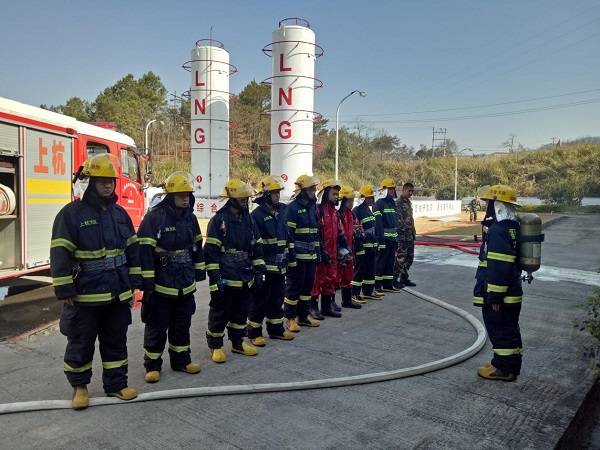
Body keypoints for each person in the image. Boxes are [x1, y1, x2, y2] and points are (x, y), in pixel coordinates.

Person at [50, 153, 140, 410]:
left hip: (116, 293)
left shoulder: (120, 214)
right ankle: (79, 387)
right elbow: (60, 251)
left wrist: (135, 280)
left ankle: (116, 385)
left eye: (110, 180)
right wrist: (64, 286)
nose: (108, 185)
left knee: (116, 341)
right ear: (90, 182)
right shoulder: (71, 214)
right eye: (101, 181)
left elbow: (132, 250)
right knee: (81, 342)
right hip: (85, 295)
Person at [138, 171, 206, 383]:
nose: (186, 197)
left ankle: (181, 361)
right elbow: (144, 251)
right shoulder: (154, 218)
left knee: (182, 324)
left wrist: (199, 271)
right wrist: (147, 282)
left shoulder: (191, 219)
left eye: (188, 194)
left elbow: (197, 246)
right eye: (181, 194)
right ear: (170, 195)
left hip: (185, 283)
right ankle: (152, 366)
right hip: (161, 284)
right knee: (157, 326)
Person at [204, 179, 266, 363]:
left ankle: (237, 342)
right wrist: (215, 279)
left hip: (245, 276)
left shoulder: (248, 220)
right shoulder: (219, 221)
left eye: (246, 198)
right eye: (241, 198)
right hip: (226, 276)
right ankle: (215, 346)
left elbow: (257, 247)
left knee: (241, 311)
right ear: (231, 199)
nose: (245, 201)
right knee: (220, 312)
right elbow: (211, 253)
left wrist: (259, 271)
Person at [473, 185, 523, 382]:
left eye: (489, 204)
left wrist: (494, 296)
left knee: (500, 329)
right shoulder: (513, 227)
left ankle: (504, 369)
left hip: (500, 294)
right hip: (512, 290)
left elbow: (498, 266)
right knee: (510, 329)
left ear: (497, 205)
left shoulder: (498, 231)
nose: (487, 207)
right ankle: (505, 362)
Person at [247, 176, 295, 345]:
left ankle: (276, 330)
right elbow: (254, 244)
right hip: (265, 267)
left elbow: (286, 236)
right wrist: (257, 268)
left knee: (277, 298)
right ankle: (254, 332)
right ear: (265, 195)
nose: (277, 196)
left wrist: (291, 256)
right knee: (260, 301)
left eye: (278, 193)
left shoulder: (282, 211)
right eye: (274, 193)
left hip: (279, 266)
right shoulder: (256, 216)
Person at [284, 175, 322, 330]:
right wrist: (291, 256)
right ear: (303, 190)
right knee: (293, 289)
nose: (314, 192)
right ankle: (290, 318)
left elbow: (315, 233)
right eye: (312, 189)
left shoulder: (312, 208)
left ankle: (303, 316)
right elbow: (288, 235)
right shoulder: (292, 209)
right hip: (297, 258)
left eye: (315, 189)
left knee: (307, 289)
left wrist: (319, 252)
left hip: (310, 257)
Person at [312, 179, 348, 317]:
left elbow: (340, 231)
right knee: (317, 281)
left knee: (330, 280)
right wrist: (320, 251)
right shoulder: (319, 211)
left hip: (332, 254)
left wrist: (344, 245)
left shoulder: (335, 213)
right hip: (321, 253)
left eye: (337, 194)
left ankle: (326, 308)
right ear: (326, 193)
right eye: (333, 194)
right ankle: (313, 308)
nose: (336, 197)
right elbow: (315, 233)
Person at [352, 185, 380, 300]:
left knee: (370, 270)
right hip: (362, 247)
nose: (371, 200)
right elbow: (357, 230)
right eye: (369, 198)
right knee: (359, 270)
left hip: (371, 246)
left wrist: (376, 242)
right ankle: (355, 293)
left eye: (372, 198)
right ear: (363, 198)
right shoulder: (356, 211)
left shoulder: (369, 210)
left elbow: (373, 228)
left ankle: (368, 292)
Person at [338, 185, 364, 309]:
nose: (352, 203)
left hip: (349, 249)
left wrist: (357, 230)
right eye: (349, 201)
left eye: (353, 201)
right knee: (335, 277)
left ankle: (347, 300)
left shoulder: (351, 214)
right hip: (340, 250)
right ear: (343, 201)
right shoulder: (339, 214)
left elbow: (356, 227)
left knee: (348, 275)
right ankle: (331, 302)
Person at [375, 178, 401, 292]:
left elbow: (395, 222)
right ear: (384, 189)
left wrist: (397, 237)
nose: (392, 191)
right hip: (384, 239)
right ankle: (378, 285)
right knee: (381, 263)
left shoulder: (393, 203)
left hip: (393, 239)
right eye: (390, 189)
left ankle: (388, 285)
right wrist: (380, 240)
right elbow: (378, 224)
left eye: (393, 189)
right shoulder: (379, 204)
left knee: (390, 263)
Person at [394, 182, 417, 289]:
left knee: (410, 258)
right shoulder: (398, 203)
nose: (411, 193)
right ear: (404, 190)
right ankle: (394, 279)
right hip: (402, 236)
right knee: (400, 259)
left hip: (409, 235)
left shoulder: (408, 202)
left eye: (412, 191)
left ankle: (404, 278)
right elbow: (399, 221)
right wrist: (401, 236)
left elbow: (410, 219)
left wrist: (413, 232)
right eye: (409, 191)